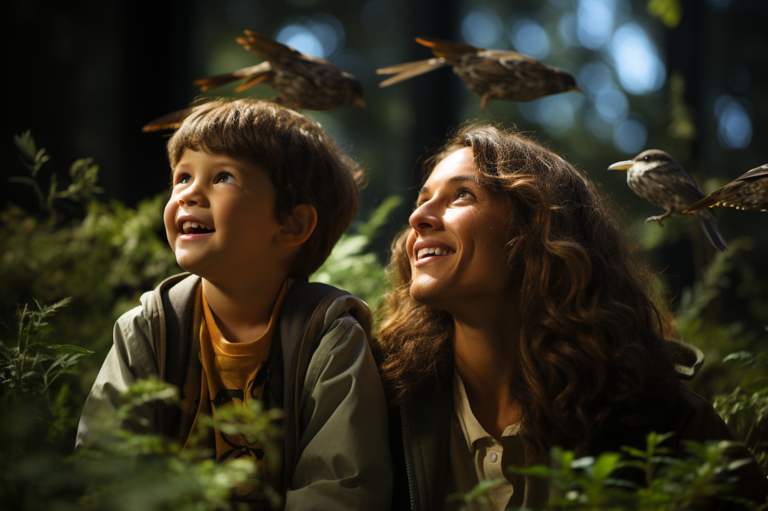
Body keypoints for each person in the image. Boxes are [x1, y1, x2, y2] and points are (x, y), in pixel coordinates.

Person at [376, 124, 767, 510]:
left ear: (537, 228)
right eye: (421, 199)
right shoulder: (381, 403)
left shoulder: (668, 422)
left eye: (462, 195)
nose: (418, 217)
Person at [76, 99, 392, 510]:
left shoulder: (328, 341)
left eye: (222, 176)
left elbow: (340, 488)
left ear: (291, 224)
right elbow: (103, 469)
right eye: (182, 176)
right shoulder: (149, 330)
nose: (189, 193)